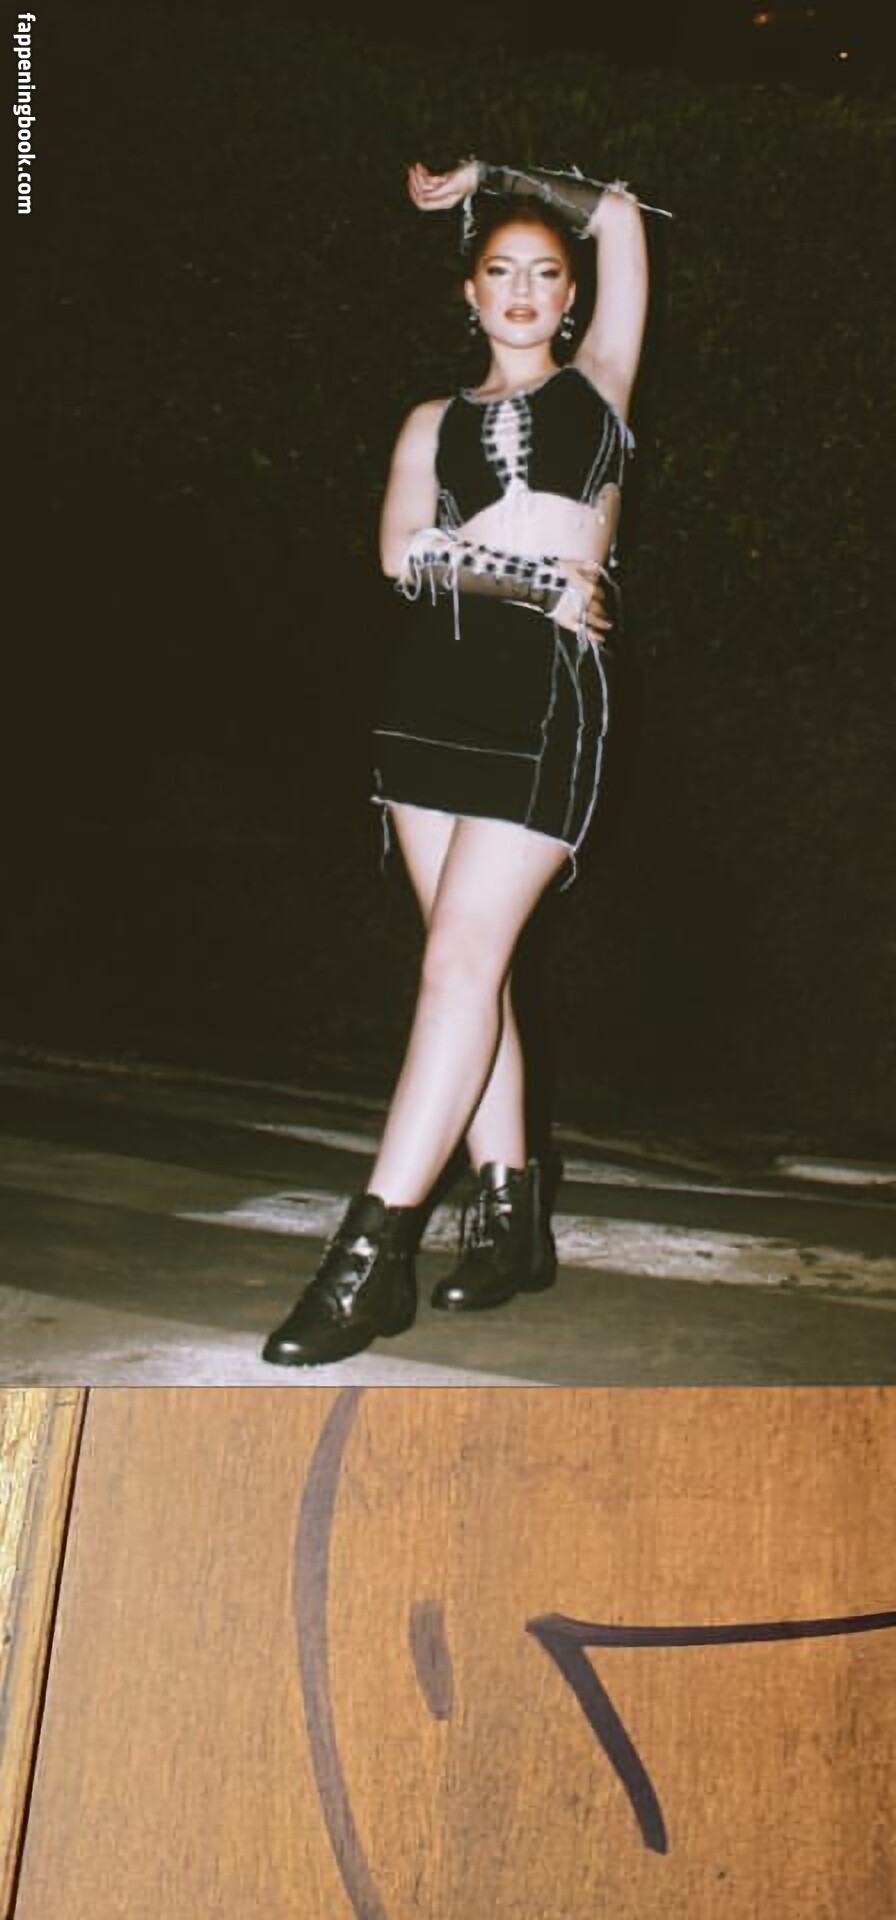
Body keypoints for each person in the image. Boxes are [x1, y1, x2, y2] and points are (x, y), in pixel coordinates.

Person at [262, 153, 654, 1368]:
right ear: (469, 294)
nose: (524, 289)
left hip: (544, 703)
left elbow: (619, 213)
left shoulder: (601, 386)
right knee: (466, 968)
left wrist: (488, 173)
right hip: (427, 703)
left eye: (546, 273)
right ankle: (511, 1216)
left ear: (572, 300)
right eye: (500, 271)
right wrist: (539, 577)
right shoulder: (429, 422)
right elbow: (398, 555)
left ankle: (369, 1255)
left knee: (457, 965)